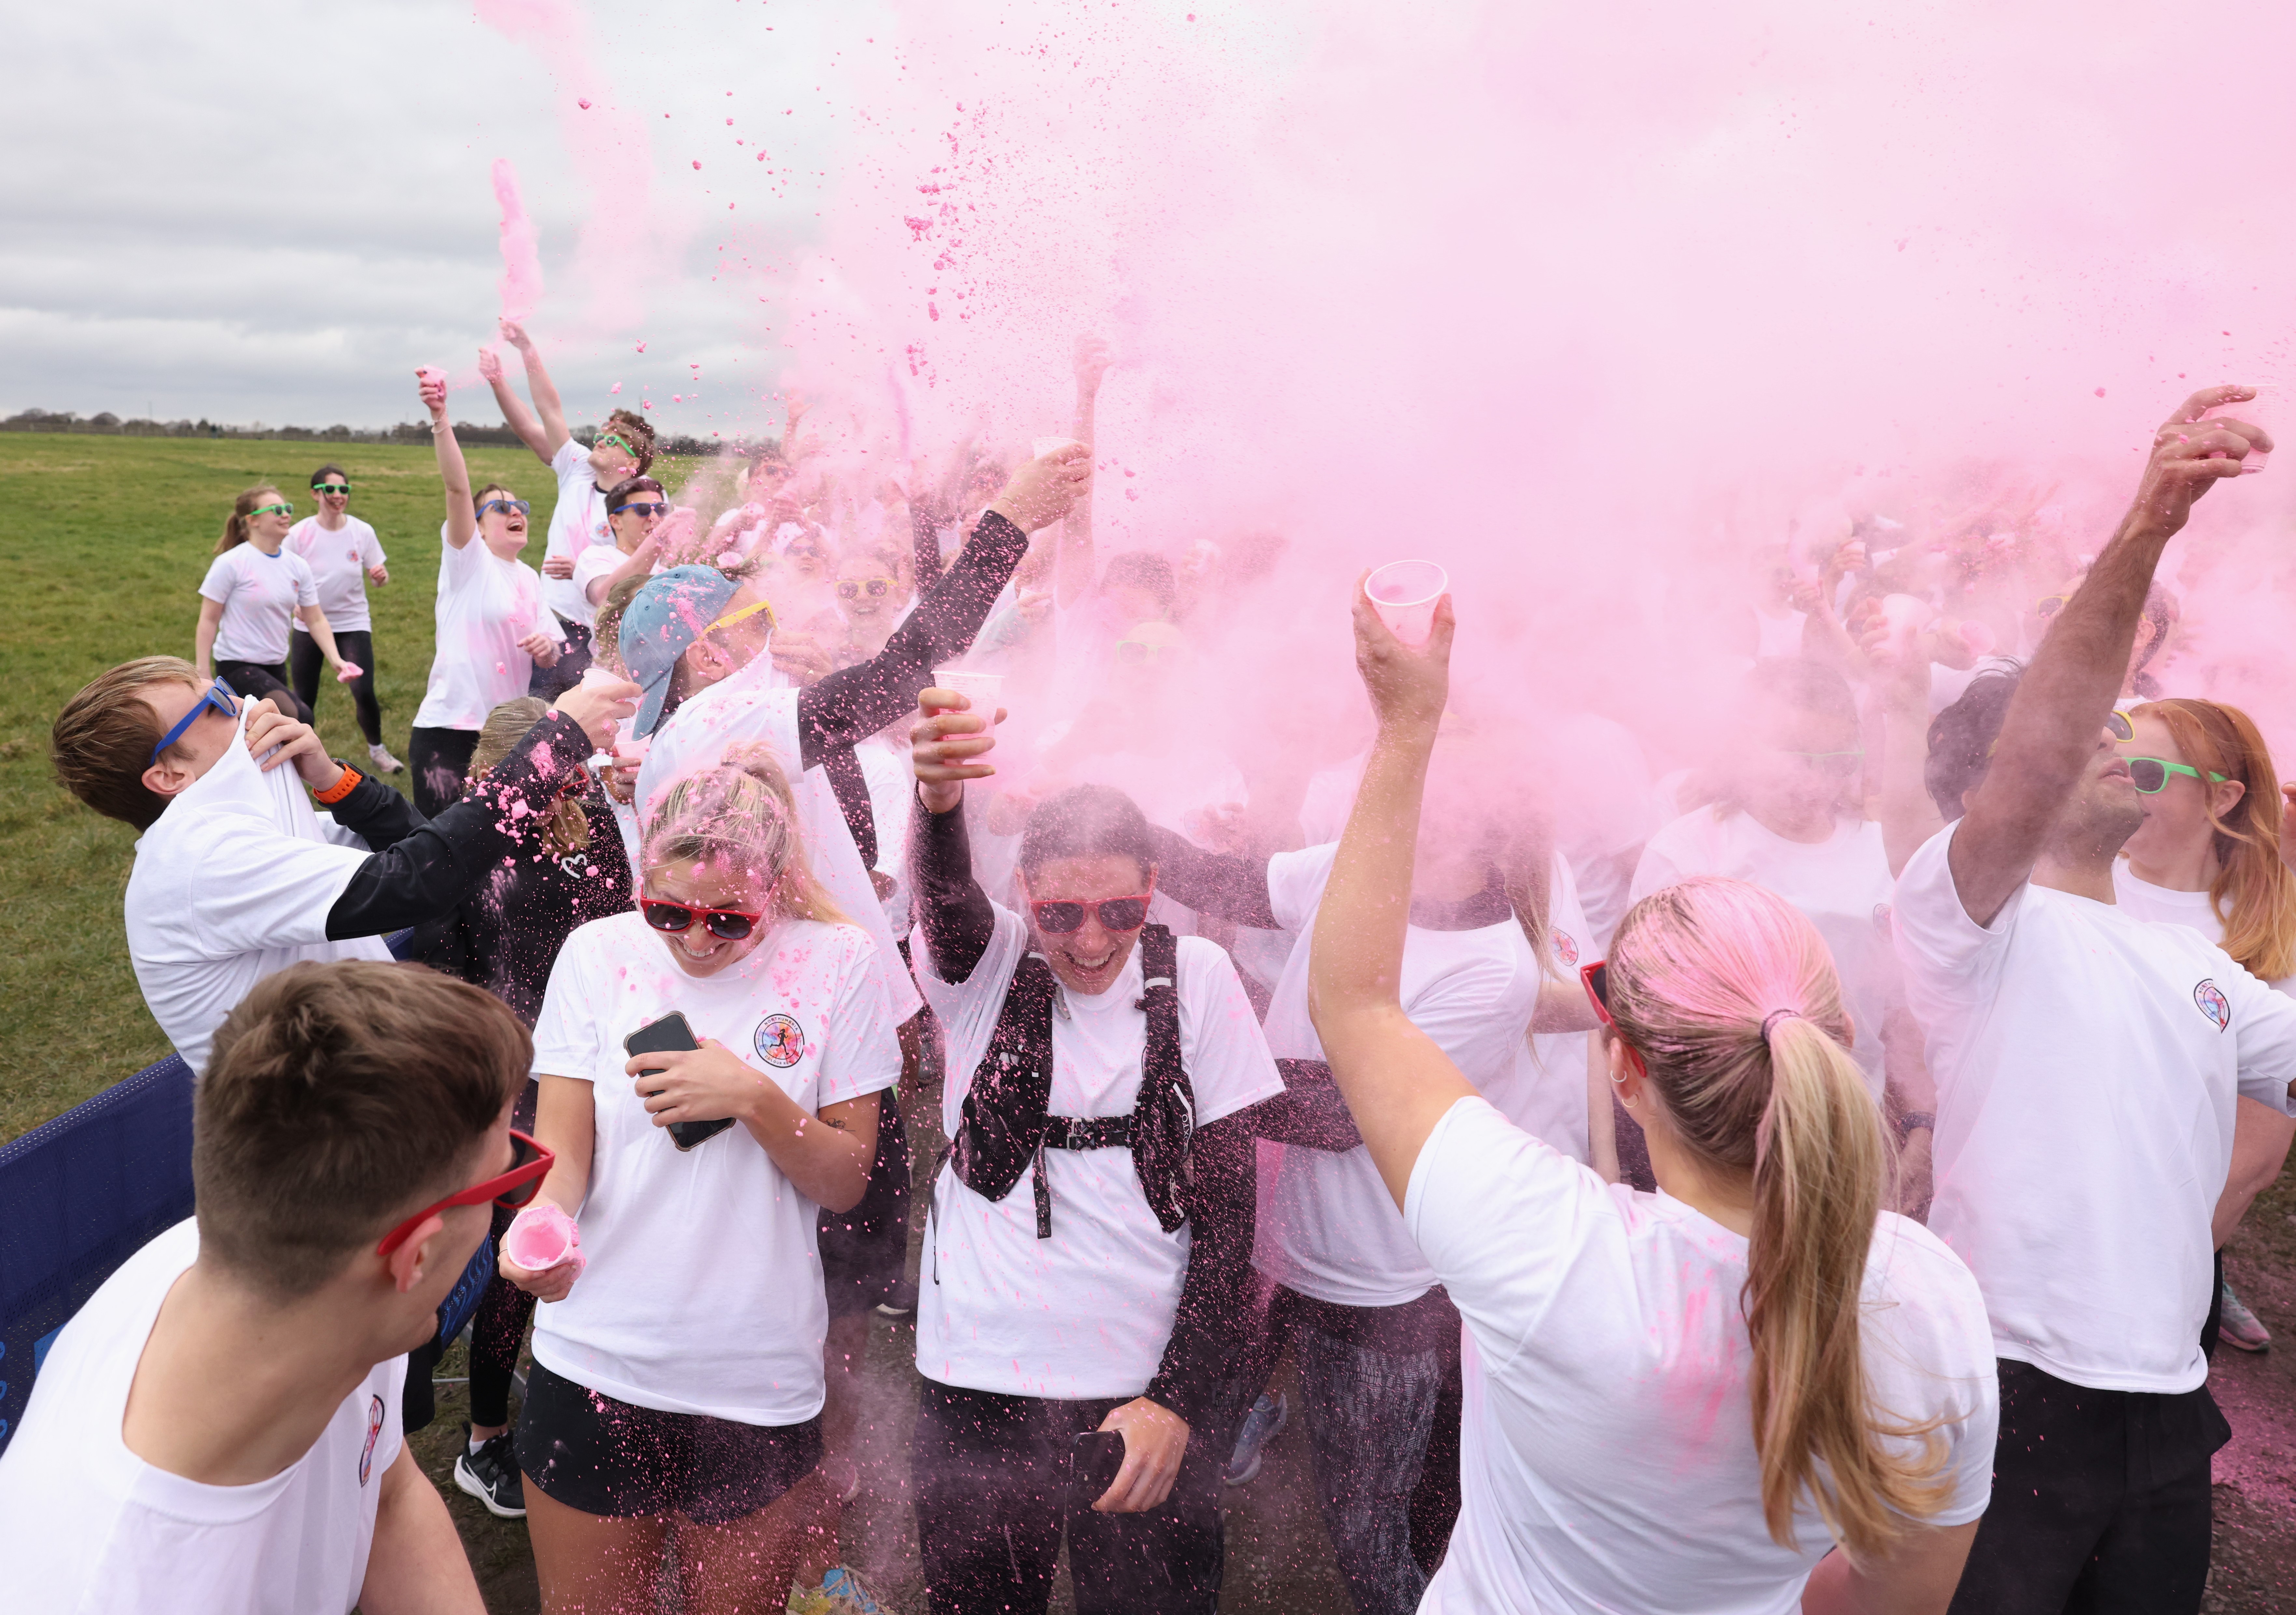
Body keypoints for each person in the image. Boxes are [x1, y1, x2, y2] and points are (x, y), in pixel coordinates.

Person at [1308, 582, 1998, 1614]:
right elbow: (1901, 1596)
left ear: (1625, 1071)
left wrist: (1406, 729)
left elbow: (1355, 1007)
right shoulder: (1928, 1297)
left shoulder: (1539, 1243)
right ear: (1835, 1038)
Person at [1894, 387, 2296, 1613]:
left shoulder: (2204, 967)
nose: (2117, 737)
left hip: (2168, 1409)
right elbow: (2039, 750)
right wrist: (2148, 525)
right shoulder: (1968, 909)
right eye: (2086, 727)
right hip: (2006, 1388)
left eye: (2125, 725)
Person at [1139, 742, 1591, 1612]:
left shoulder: (1493, 970)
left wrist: (1175, 1052)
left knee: (1366, 1529)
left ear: (1485, 833)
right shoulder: (1359, 867)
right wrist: (1113, 824)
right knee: (1183, 1453)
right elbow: (1227, 883)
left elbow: (1344, 1114)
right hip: (1266, 1246)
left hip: (1379, 1283)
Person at [0, 960, 538, 1613]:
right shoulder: (119, 1587)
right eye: (508, 1174)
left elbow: (384, 1490)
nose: (510, 1198)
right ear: (415, 1256)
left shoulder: (302, 1281)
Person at [901, 697, 1284, 1613]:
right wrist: (939, 806)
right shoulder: (985, 963)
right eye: (1058, 910)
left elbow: (1231, 1222)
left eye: (1121, 907)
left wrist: (1179, 1401)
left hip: (1139, 1388)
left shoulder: (1197, 977)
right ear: (1022, 888)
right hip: (977, 1382)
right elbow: (946, 903)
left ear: (1154, 882)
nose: (1089, 939)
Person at [499, 756, 902, 1615]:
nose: (696, 939)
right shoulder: (597, 954)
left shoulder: (837, 962)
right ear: (643, 881)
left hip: (753, 1379)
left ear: (780, 889)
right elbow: (564, 1159)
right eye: (668, 911)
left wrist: (753, 1096)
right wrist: (541, 1229)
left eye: (730, 920)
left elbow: (844, 1182)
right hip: (595, 1360)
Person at [49, 654, 634, 1077]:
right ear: (171, 777)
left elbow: (409, 846)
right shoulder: (202, 859)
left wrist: (332, 781)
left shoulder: (230, 828)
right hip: (340, 1163)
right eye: (216, 704)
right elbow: (412, 883)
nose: (250, 703)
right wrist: (550, 745)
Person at [401, 697, 638, 1503]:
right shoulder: (465, 856)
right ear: (499, 779)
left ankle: (597, 1377)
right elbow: (442, 987)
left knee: (612, 1222)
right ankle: (485, 1438)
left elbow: (626, 937)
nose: (574, 792)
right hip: (521, 1080)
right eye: (556, 781)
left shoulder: (593, 820)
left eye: (576, 779)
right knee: (520, 1260)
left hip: (612, 1060)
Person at [1628, 658, 1936, 1212]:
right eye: (1795, 757)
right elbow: (1644, 1023)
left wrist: (1919, 1123)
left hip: (1849, 1140)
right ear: (1742, 746)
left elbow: (1901, 1012)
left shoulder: (1880, 850)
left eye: (1836, 761)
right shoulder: (1690, 852)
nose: (1814, 780)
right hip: (1717, 1155)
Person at [2112, 696, 2296, 1352]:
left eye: (2147, 775)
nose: (2119, 784)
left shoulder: (2269, 928)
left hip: (2166, 1242)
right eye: (2112, 764)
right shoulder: (2077, 881)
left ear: (2220, 799)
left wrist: (2162, 1263)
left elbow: (2257, 1154)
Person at [408, 370, 564, 817]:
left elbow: (551, 654)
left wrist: (547, 646)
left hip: (506, 737)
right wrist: (440, 417)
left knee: (497, 862)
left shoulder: (530, 578)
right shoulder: (468, 562)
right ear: (476, 525)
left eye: (521, 507)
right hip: (450, 732)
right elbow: (457, 488)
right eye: (500, 507)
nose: (516, 511)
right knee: (444, 858)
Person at [484, 318, 659, 695]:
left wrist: (581, 569)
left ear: (632, 463)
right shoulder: (577, 469)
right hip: (552, 618)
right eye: (601, 433)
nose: (601, 439)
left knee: (585, 725)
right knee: (535, 714)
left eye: (615, 440)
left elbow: (648, 567)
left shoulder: (645, 508)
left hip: (600, 630)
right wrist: (523, 354)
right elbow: (546, 412)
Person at [197, 484, 362, 725]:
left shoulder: (297, 566)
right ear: (253, 520)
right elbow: (208, 619)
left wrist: (337, 660)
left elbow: (315, 619)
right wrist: (203, 673)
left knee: (262, 733)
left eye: (287, 509)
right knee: (298, 718)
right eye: (277, 510)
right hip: (237, 665)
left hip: (276, 665)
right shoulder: (231, 564)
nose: (286, 514)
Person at [286, 462, 400, 774]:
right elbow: (282, 578)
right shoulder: (298, 535)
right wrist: (293, 605)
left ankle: (378, 751)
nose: (338, 495)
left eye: (344, 490)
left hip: (352, 622)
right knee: (304, 698)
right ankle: (296, 758)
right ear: (315, 493)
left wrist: (380, 576)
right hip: (309, 624)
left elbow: (379, 578)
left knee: (364, 691)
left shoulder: (362, 532)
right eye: (330, 489)